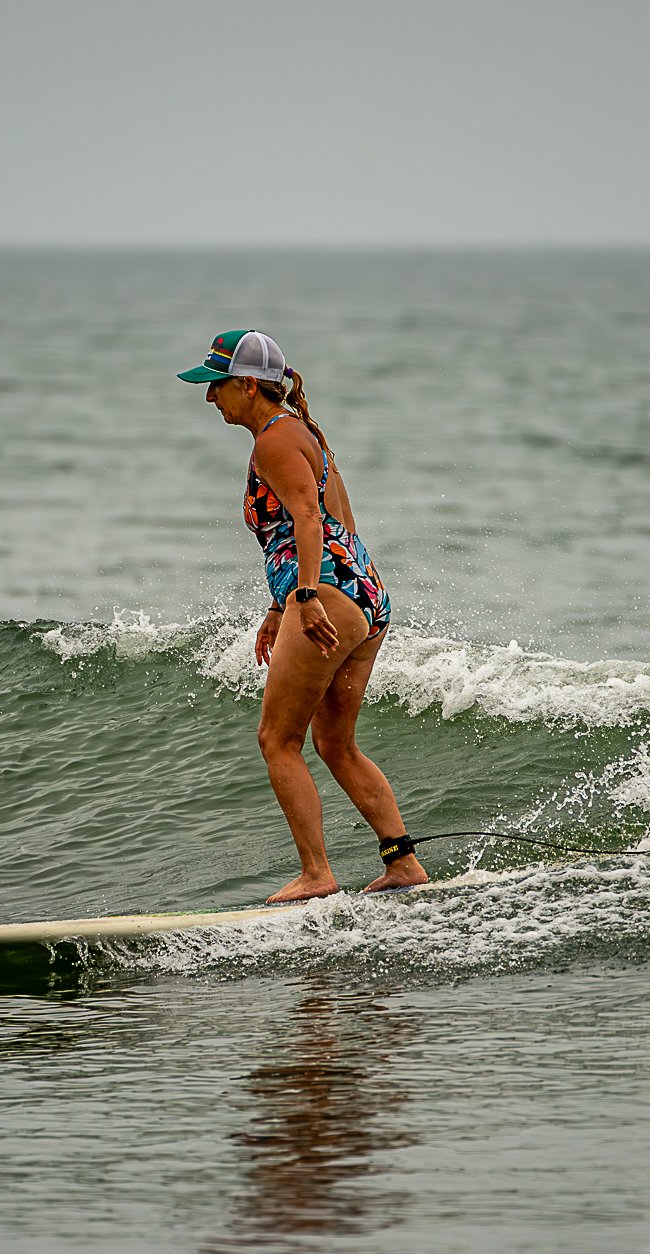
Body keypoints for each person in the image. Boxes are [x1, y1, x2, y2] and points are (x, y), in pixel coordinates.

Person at [178, 329, 429, 903]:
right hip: (365, 591)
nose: (209, 397)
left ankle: (317, 874)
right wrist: (278, 604)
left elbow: (310, 522)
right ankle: (403, 863)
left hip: (328, 591)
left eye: (216, 385)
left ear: (247, 384)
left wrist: (307, 595)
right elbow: (340, 523)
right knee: (335, 744)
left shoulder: (273, 440)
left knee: (277, 739)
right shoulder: (304, 433)